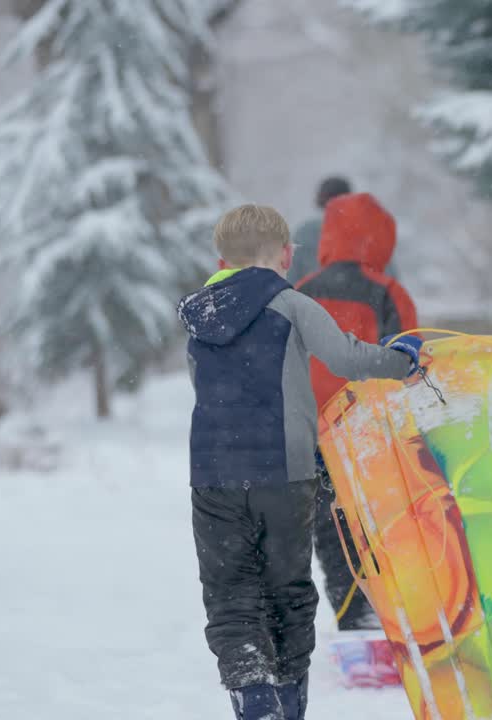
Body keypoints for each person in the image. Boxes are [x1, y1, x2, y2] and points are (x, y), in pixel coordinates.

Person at [177, 204, 423, 720]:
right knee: (286, 589)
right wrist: (403, 359)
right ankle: (286, 703)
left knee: (229, 591)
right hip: (285, 473)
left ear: (220, 258)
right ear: (286, 255)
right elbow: (348, 359)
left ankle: (254, 696)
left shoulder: (200, 313)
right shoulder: (290, 303)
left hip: (214, 474)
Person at [295, 192, 418, 633]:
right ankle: (392, 608)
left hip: (312, 428)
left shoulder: (302, 289)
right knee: (380, 516)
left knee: (329, 522)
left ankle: (352, 610)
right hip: (368, 427)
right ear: (377, 238)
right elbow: (407, 358)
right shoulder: (387, 291)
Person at [289, 176, 399, 285]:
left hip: (312, 298)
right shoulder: (367, 231)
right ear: (351, 200)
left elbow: (290, 277)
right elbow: (389, 277)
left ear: (320, 200)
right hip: (363, 299)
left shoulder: (304, 233)